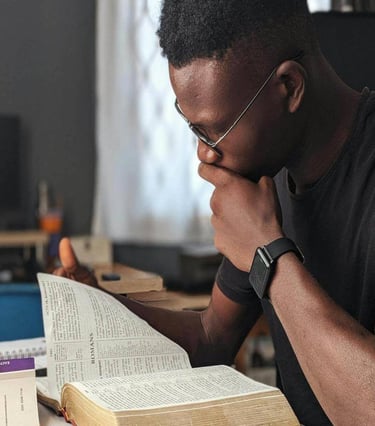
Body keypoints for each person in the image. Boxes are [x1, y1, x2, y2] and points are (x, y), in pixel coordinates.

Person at [54, 1, 375, 424]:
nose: (205, 153)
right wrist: (98, 307)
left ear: (290, 87)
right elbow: (211, 337)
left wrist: (269, 255)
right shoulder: (267, 176)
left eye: (214, 129)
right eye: (194, 129)